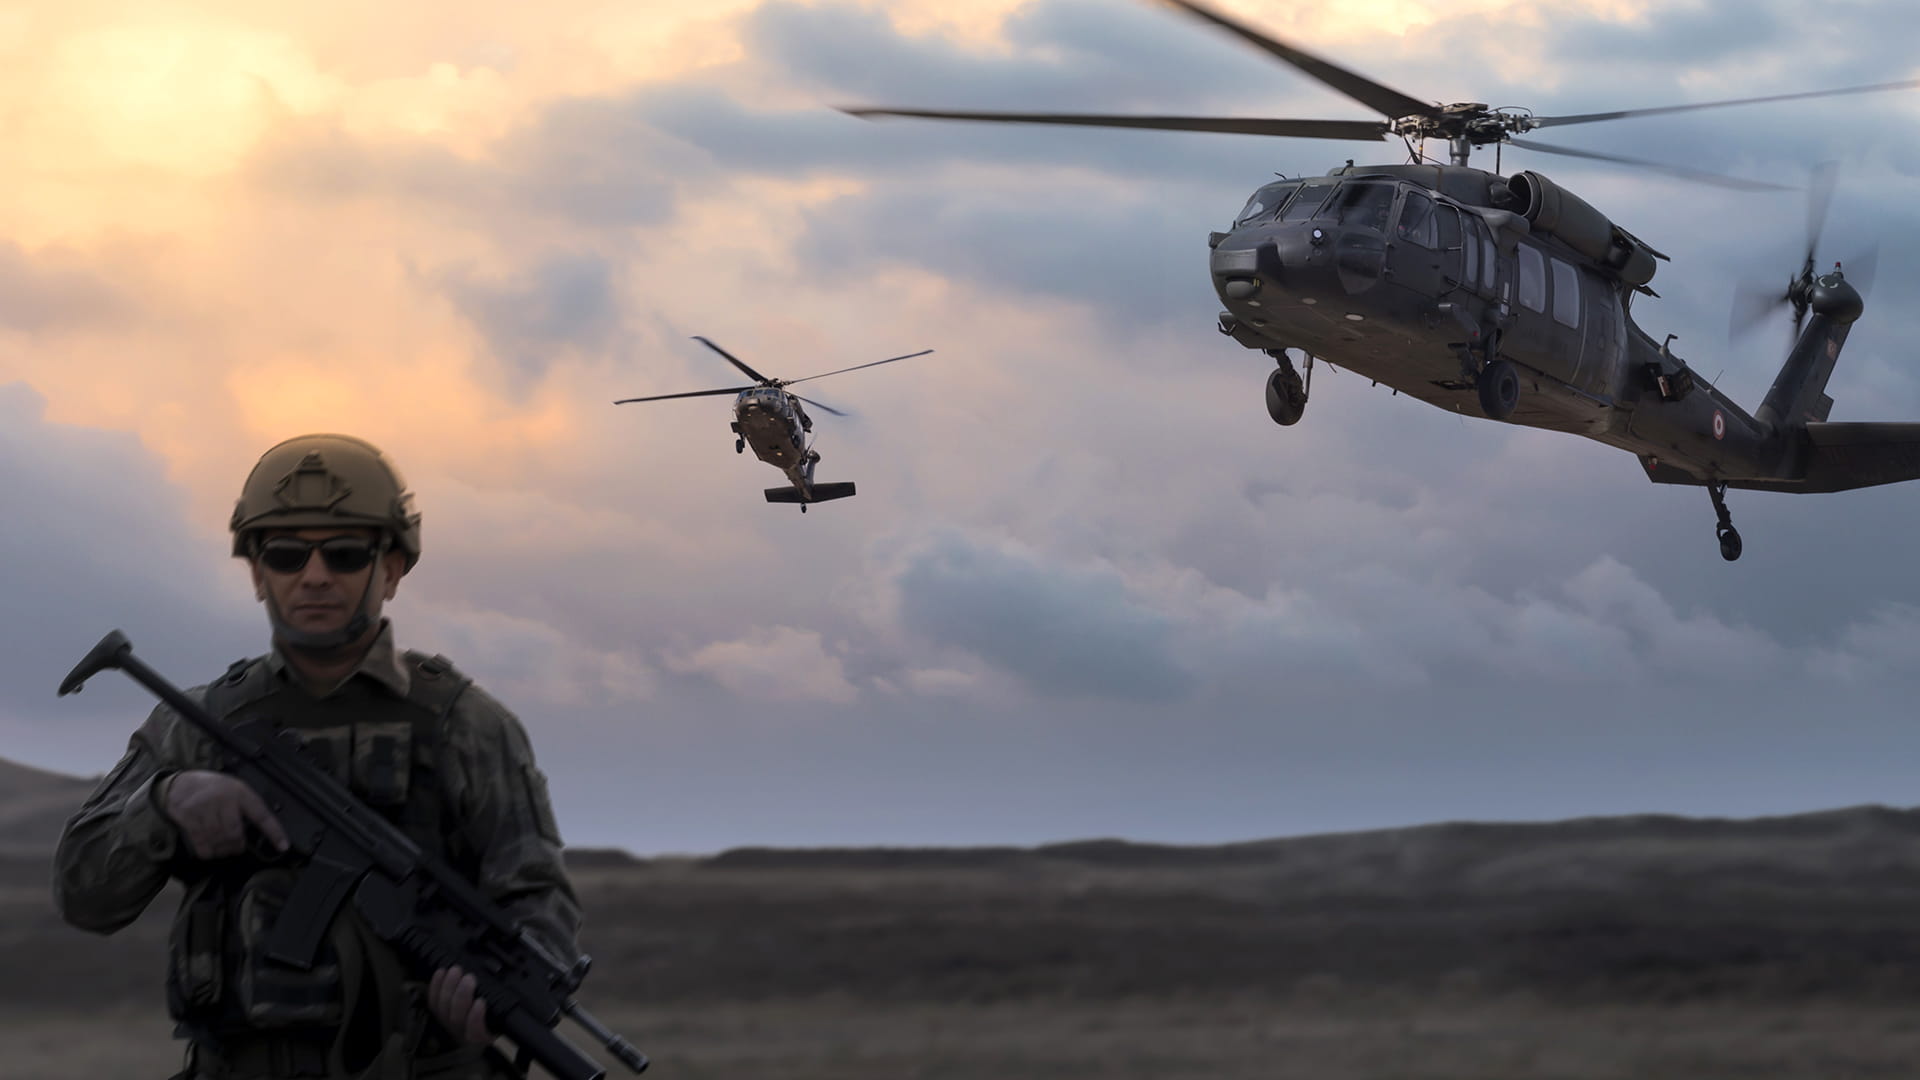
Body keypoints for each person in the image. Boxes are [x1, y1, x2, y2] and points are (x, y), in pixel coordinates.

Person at [53, 433, 582, 1080]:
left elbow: (537, 897)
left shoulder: (465, 724)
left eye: (345, 553)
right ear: (255, 572)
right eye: (283, 554)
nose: (314, 575)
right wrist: (165, 803)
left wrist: (491, 993)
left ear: (391, 569)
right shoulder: (200, 725)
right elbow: (84, 895)